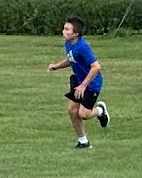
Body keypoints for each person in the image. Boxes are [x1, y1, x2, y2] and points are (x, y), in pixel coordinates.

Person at [47, 16, 110, 149]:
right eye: (64, 28)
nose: (63, 31)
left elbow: (96, 67)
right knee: (72, 110)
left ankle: (100, 110)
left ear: (75, 33)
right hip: (79, 80)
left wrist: (83, 85)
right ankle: (83, 142)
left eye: (67, 29)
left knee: (84, 114)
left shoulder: (83, 47)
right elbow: (71, 59)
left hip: (91, 83)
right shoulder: (68, 43)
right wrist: (56, 66)